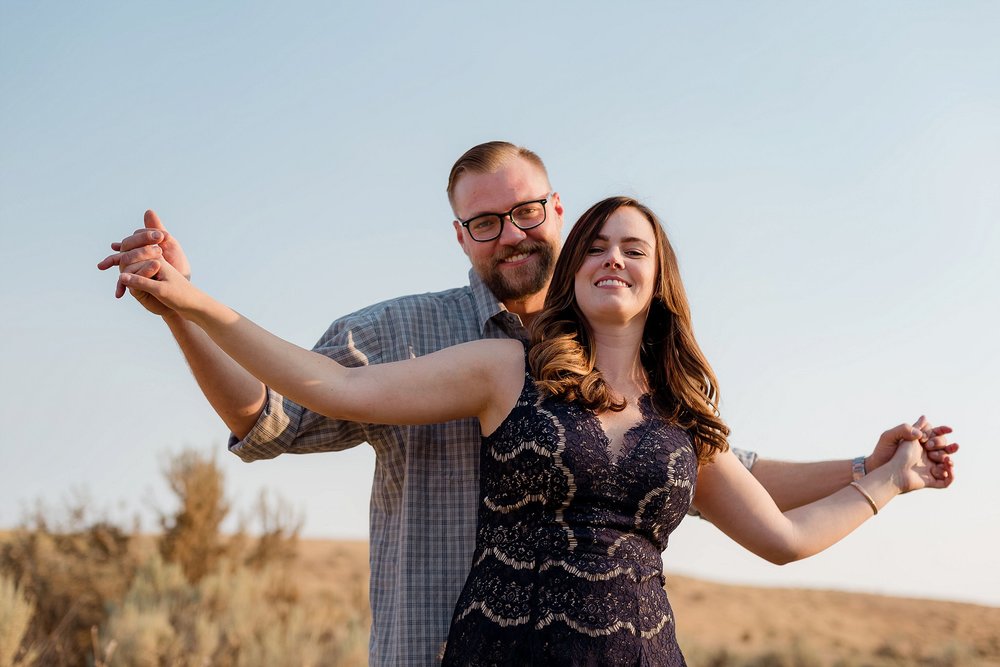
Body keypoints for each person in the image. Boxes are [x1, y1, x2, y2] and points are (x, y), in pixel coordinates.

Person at [98, 142, 956, 665]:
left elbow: (761, 508)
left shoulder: (672, 413)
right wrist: (190, 304)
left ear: (558, 213)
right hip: (459, 648)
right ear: (462, 235)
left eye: (527, 211)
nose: (511, 232)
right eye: (484, 222)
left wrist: (880, 471)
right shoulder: (467, 354)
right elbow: (297, 405)